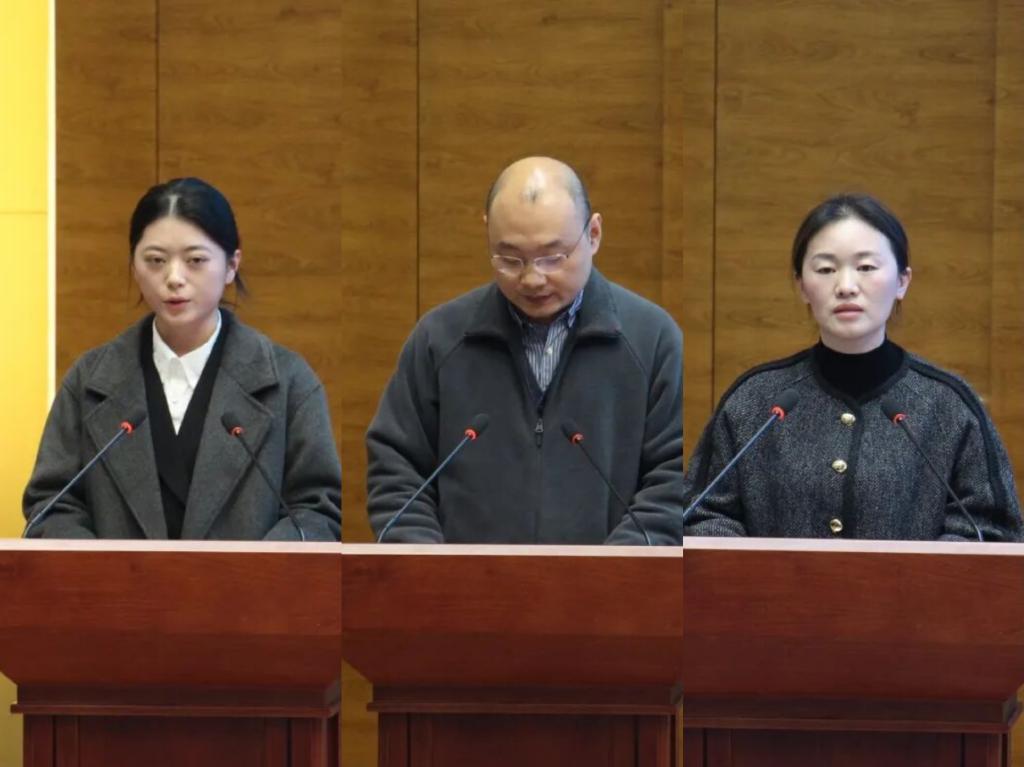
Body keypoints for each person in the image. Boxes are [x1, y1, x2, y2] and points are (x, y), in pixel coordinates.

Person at [366, 156, 685, 544]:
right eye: (510, 259)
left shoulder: (653, 340)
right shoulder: (439, 339)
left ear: (594, 234)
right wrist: (432, 567)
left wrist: (612, 570)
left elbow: (670, 483)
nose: (532, 279)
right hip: (461, 582)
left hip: (613, 579)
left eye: (553, 257)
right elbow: (397, 472)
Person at [683, 193, 1022, 541]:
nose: (846, 287)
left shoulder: (948, 406)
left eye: (866, 268)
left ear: (902, 281)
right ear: (801, 285)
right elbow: (703, 515)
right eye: (826, 269)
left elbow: (991, 531)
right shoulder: (755, 402)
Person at [23, 177, 341, 540]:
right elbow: (52, 505)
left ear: (231, 265)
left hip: (249, 579)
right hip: (116, 579)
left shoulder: (288, 381)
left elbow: (317, 509)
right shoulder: (90, 380)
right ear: (134, 266)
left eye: (195, 260)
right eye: (156, 261)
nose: (174, 278)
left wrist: (256, 568)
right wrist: (104, 569)